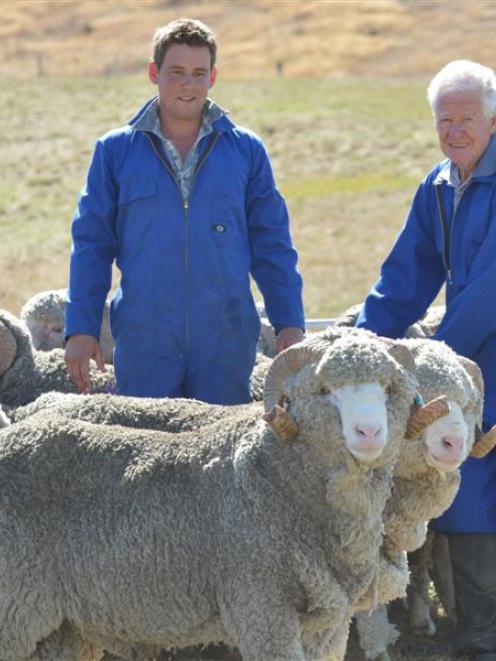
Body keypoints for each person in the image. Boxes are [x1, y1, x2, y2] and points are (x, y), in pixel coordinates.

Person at [64, 18, 304, 404]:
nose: (188, 84)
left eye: (198, 73)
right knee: (146, 454)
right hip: (145, 340)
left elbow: (272, 245)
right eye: (176, 72)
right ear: (153, 73)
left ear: (213, 78)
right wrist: (81, 328)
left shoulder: (246, 151)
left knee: (221, 458)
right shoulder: (115, 152)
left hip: (226, 339)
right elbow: (91, 245)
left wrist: (290, 323)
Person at [356, 60, 496, 661]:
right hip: (464, 360)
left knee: (479, 483)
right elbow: (405, 280)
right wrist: (359, 347)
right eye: (445, 118)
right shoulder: (439, 186)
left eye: (468, 117)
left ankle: (485, 636)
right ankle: (476, 631)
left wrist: (430, 359)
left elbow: (491, 289)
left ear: (493, 120)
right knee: (463, 485)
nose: (456, 129)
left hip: (474, 354)